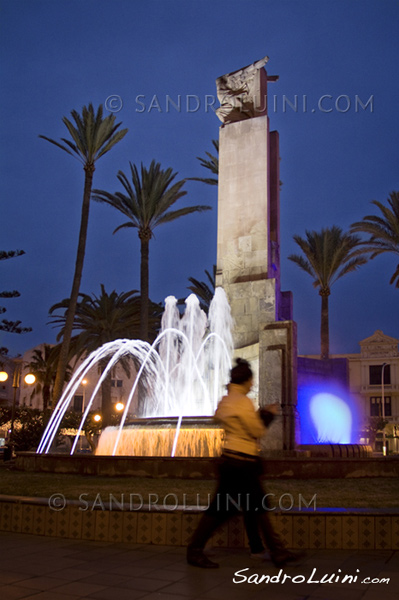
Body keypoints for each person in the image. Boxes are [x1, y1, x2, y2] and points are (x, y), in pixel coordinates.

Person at [187, 358, 300, 569]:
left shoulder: (227, 400)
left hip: (231, 461)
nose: (253, 384)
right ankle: (275, 551)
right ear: (246, 380)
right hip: (243, 463)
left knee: (249, 506)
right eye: (252, 380)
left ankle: (272, 550)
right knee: (241, 508)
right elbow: (256, 431)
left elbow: (224, 418)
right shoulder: (242, 401)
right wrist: (266, 415)